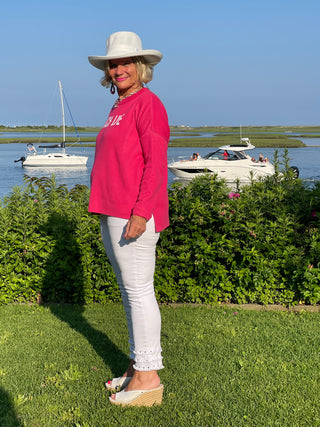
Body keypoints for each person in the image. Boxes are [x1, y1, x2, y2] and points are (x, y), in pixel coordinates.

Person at [88, 31, 170, 407]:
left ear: (141, 67)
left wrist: (141, 212)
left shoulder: (148, 104)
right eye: (113, 63)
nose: (118, 69)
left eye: (125, 63)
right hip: (112, 209)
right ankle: (139, 365)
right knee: (129, 291)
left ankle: (148, 379)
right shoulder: (120, 105)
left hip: (133, 213)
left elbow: (155, 165)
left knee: (139, 291)